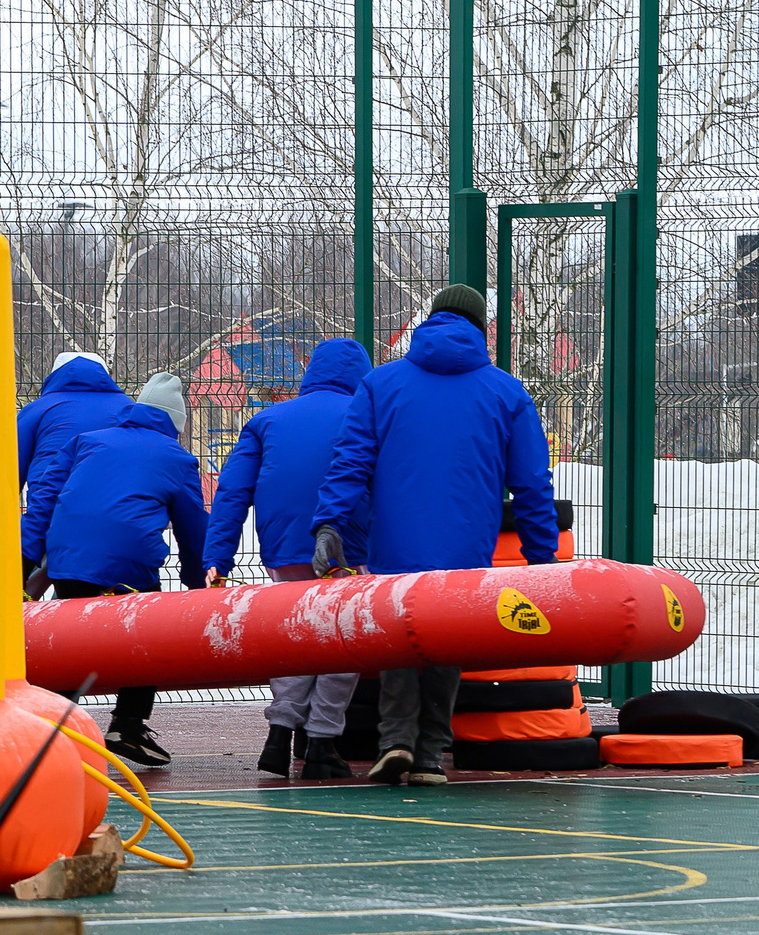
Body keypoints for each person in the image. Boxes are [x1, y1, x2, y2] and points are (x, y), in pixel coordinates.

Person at [309, 285, 557, 787]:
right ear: (481, 327)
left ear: (432, 319)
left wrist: (329, 523)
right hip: (467, 545)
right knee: (447, 638)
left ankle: (394, 740)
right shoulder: (508, 393)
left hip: (396, 541)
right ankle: (430, 754)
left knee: (401, 634)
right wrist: (542, 558)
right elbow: (532, 485)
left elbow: (350, 462)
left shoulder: (381, 385)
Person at [203, 336, 373, 780]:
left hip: (285, 545)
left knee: (296, 636)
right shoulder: (366, 416)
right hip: (346, 545)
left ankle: (278, 736)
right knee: (341, 640)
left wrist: (217, 556)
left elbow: (232, 493)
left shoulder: (267, 420)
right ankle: (321, 742)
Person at [20, 372, 209, 768]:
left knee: (70, 639)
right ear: (177, 423)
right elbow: (194, 533)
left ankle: (55, 725)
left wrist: (23, 564)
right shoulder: (178, 459)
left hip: (69, 559)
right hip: (129, 563)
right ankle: (128, 724)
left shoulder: (87, 442)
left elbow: (42, 501)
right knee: (144, 636)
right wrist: (197, 585)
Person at [16, 348, 133, 485]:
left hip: (51, 496)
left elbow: (14, 464)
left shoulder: (37, 409)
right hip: (116, 495)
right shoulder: (127, 407)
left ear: (55, 375)